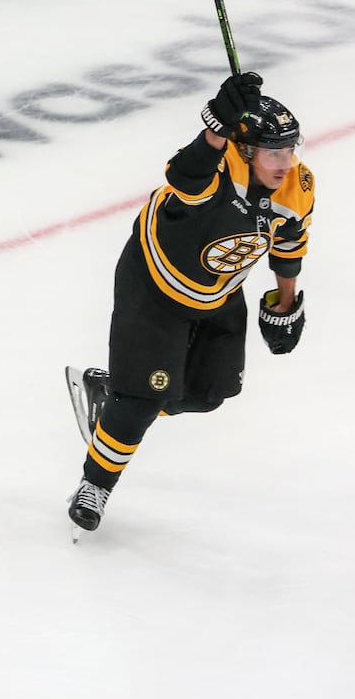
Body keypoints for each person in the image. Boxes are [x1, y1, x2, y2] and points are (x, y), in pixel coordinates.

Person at [64, 70, 314, 536]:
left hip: (219, 292)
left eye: (289, 149)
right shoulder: (213, 175)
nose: (284, 162)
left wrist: (286, 301)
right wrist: (217, 126)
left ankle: (109, 398)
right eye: (273, 151)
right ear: (243, 149)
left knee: (205, 396)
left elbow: (289, 242)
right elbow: (184, 174)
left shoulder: (296, 185)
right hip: (155, 286)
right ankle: (94, 485)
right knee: (144, 397)